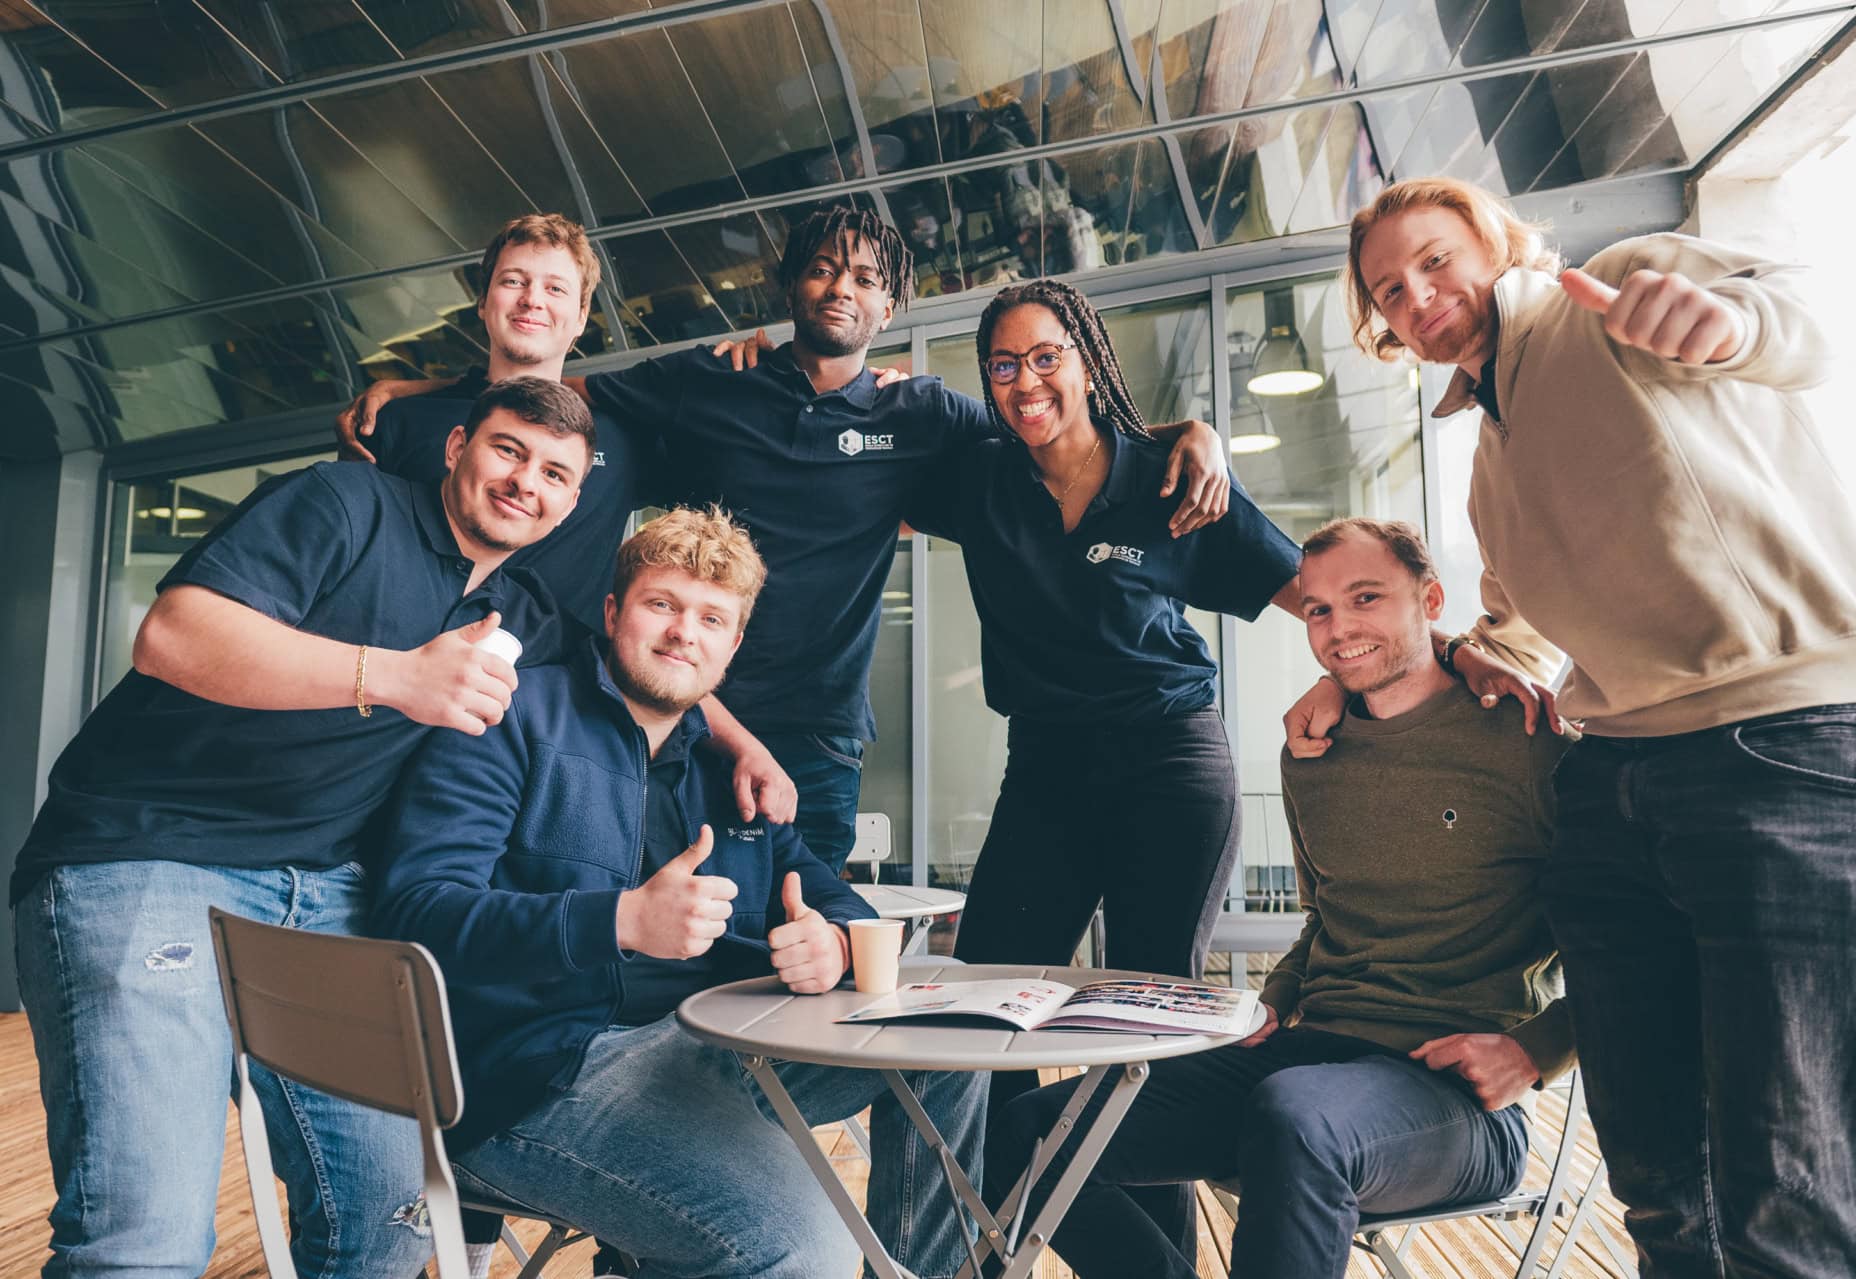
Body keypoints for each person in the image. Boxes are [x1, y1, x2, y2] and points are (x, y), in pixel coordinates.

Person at [1306, 175, 1856, 1278]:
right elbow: (1517, 631)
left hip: (1789, 741)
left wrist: (1731, 325)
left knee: (1794, 1184)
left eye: (1438, 259)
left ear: (1497, 242)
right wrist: (1352, 684)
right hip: (1622, 769)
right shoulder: (1489, 459)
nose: (1418, 294)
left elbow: (1808, 327)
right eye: (1391, 289)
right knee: (1660, 1182)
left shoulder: (1618, 294)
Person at [339, 204, 1233, 871]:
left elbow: (1051, 428)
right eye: (821, 270)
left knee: (803, 937)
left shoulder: (920, 411)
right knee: (673, 919)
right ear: (792, 285)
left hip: (819, 738)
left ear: (892, 307)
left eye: (864, 279)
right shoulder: (713, 382)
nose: (840, 288)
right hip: (674, 713)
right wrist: (418, 389)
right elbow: (553, 391)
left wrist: (1179, 435)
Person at [11, 376, 595, 1278]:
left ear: (572, 502)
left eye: (555, 472)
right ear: (455, 449)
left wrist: (741, 742)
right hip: (149, 852)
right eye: (509, 450)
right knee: (146, 1241)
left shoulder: (523, 617)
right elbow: (172, 633)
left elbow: (648, 661)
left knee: (393, 1219)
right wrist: (395, 676)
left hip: (328, 893)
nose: (527, 481)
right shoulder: (343, 501)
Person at [375, 506, 988, 1278]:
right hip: (538, 1076)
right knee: (801, 1249)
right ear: (612, 613)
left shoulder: (732, 774)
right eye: (660, 605)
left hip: (724, 1048)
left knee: (954, 1024)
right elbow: (416, 913)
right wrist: (622, 920)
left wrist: (831, 943)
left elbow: (837, 901)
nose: (681, 633)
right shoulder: (510, 717)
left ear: (732, 644)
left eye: (710, 618)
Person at [986, 517, 1574, 1279]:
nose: (1339, 628)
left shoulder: (1527, 741)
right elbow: (1326, 915)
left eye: (1366, 597)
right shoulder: (1314, 753)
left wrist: (1536, 1050)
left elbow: (1633, 938)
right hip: (1308, 1057)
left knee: (1296, 1118)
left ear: (1431, 600)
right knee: (1028, 1132)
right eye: (1319, 609)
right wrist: (1272, 999)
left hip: (1458, 1096)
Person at [905, 278, 1302, 998]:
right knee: (983, 993)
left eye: (1045, 357)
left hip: (1169, 763)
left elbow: (1315, 593)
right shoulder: (979, 479)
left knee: (1149, 1007)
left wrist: (1427, 660)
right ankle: (1017, 1122)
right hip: (1044, 770)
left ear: (1087, 360)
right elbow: (857, 463)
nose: (1025, 380)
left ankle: (1147, 1118)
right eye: (1003, 364)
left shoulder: (1175, 479)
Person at [337, 211, 797, 831]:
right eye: (513, 282)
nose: (532, 301)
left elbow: (761, 468)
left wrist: (811, 378)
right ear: (482, 302)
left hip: (549, 733)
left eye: (555, 289)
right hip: (400, 717)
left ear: (582, 318)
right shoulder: (397, 425)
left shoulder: (625, 438)